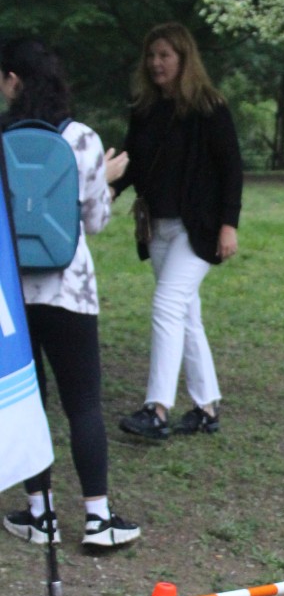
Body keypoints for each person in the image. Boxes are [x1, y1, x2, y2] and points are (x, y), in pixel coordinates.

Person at [0, 37, 141, 551]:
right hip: (70, 289)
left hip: (13, 293)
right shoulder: (81, 138)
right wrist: (106, 180)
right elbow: (95, 221)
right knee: (83, 403)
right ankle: (99, 519)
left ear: (14, 81)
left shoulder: (3, 136)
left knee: (30, 400)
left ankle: (41, 514)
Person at [115, 22, 242, 441]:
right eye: (151, 55)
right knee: (185, 314)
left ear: (184, 59)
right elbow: (132, 162)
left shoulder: (209, 107)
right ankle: (206, 408)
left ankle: (157, 410)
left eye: (165, 55)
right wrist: (105, 189)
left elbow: (231, 168)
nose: (156, 63)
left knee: (167, 305)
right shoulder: (145, 109)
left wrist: (228, 225)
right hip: (158, 227)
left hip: (198, 228)